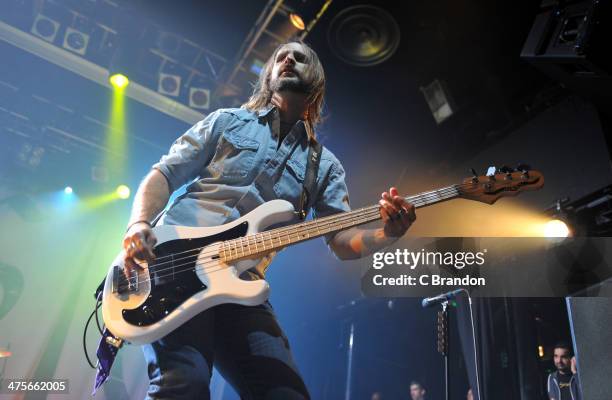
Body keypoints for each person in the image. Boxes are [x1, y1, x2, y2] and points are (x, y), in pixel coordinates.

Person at [122, 40, 416, 400]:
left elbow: (342, 241)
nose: (288, 58)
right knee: (184, 384)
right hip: (173, 261)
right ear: (269, 76)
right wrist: (139, 225)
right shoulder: (226, 121)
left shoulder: (324, 167)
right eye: (280, 57)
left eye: (300, 56)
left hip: (241, 283)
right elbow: (163, 174)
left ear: (318, 80)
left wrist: (388, 234)